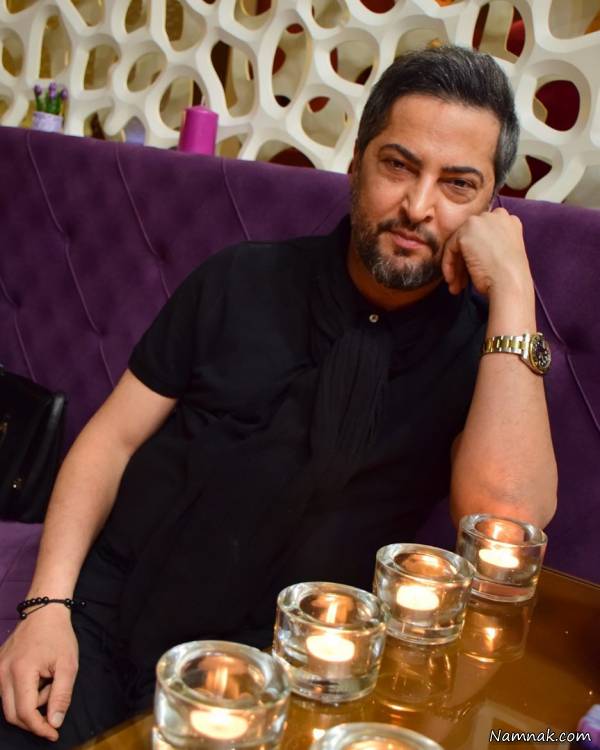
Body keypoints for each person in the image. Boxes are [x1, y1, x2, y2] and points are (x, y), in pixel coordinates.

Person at [0, 45, 557, 748]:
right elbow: (111, 441)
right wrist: (47, 607)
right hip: (108, 612)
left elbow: (508, 523)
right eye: (398, 165)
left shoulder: (482, 352)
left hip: (272, 674)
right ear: (356, 164)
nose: (418, 207)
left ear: (488, 209)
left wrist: (515, 290)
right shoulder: (240, 278)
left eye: (457, 185)